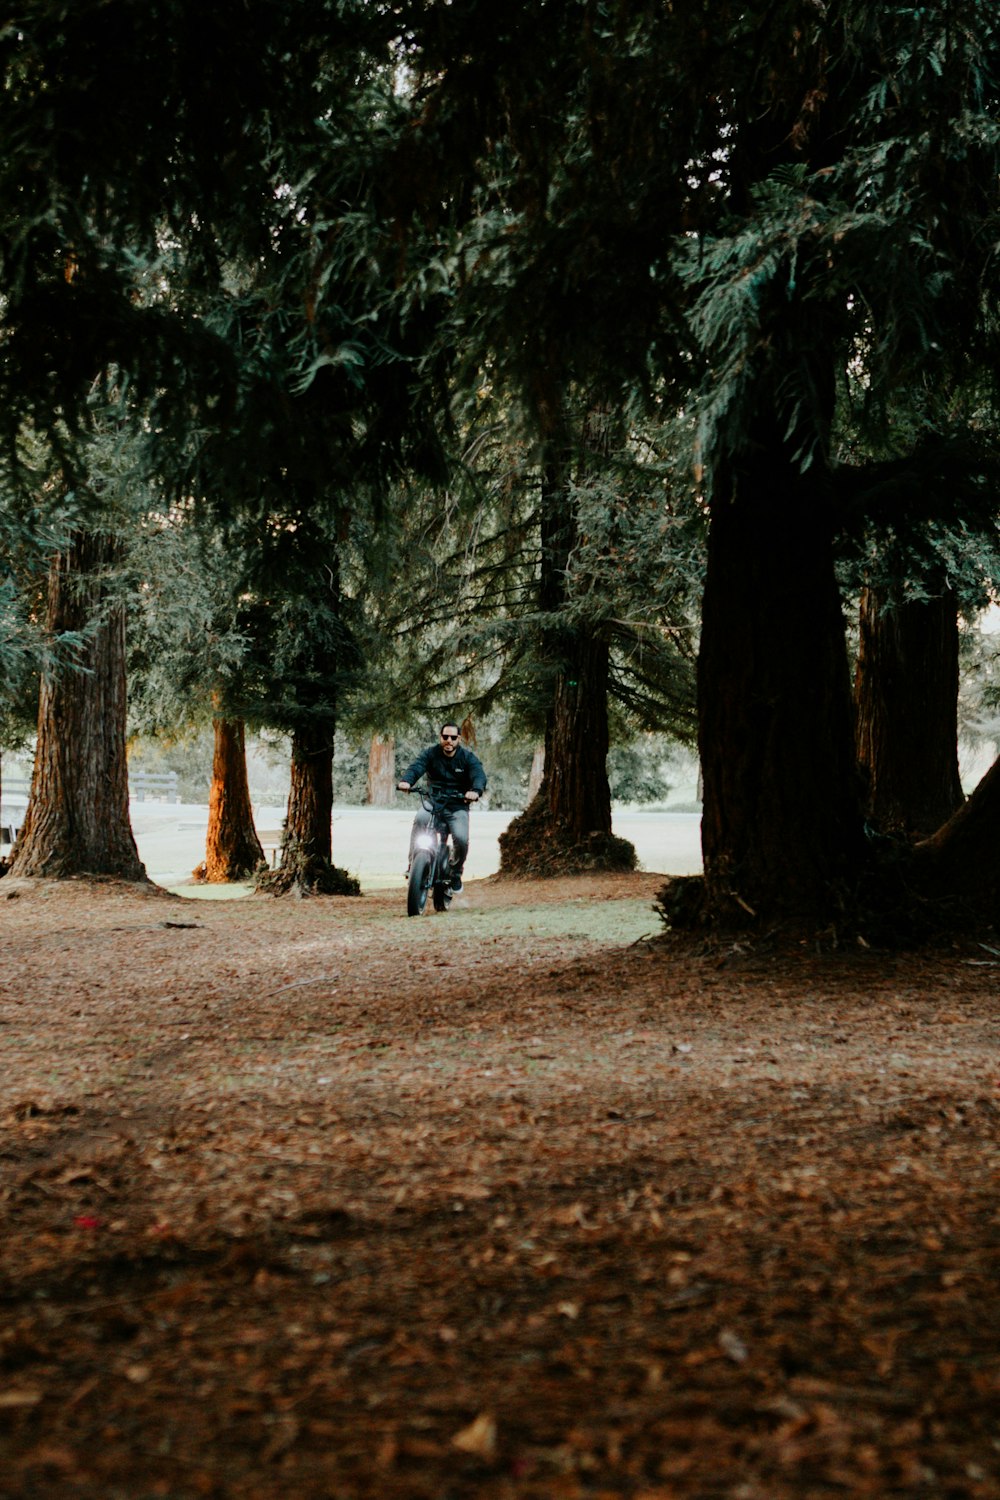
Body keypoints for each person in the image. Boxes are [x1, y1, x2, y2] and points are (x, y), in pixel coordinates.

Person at [397, 722, 487, 893]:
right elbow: (417, 766)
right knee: (420, 819)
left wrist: (475, 791)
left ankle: (455, 872)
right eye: (445, 737)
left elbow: (478, 775)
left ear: (458, 739)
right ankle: (413, 863)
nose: (449, 741)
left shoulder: (468, 758)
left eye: (453, 738)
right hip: (433, 803)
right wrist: (406, 781)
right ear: (441, 737)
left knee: (461, 839)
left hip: (457, 806)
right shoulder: (431, 753)